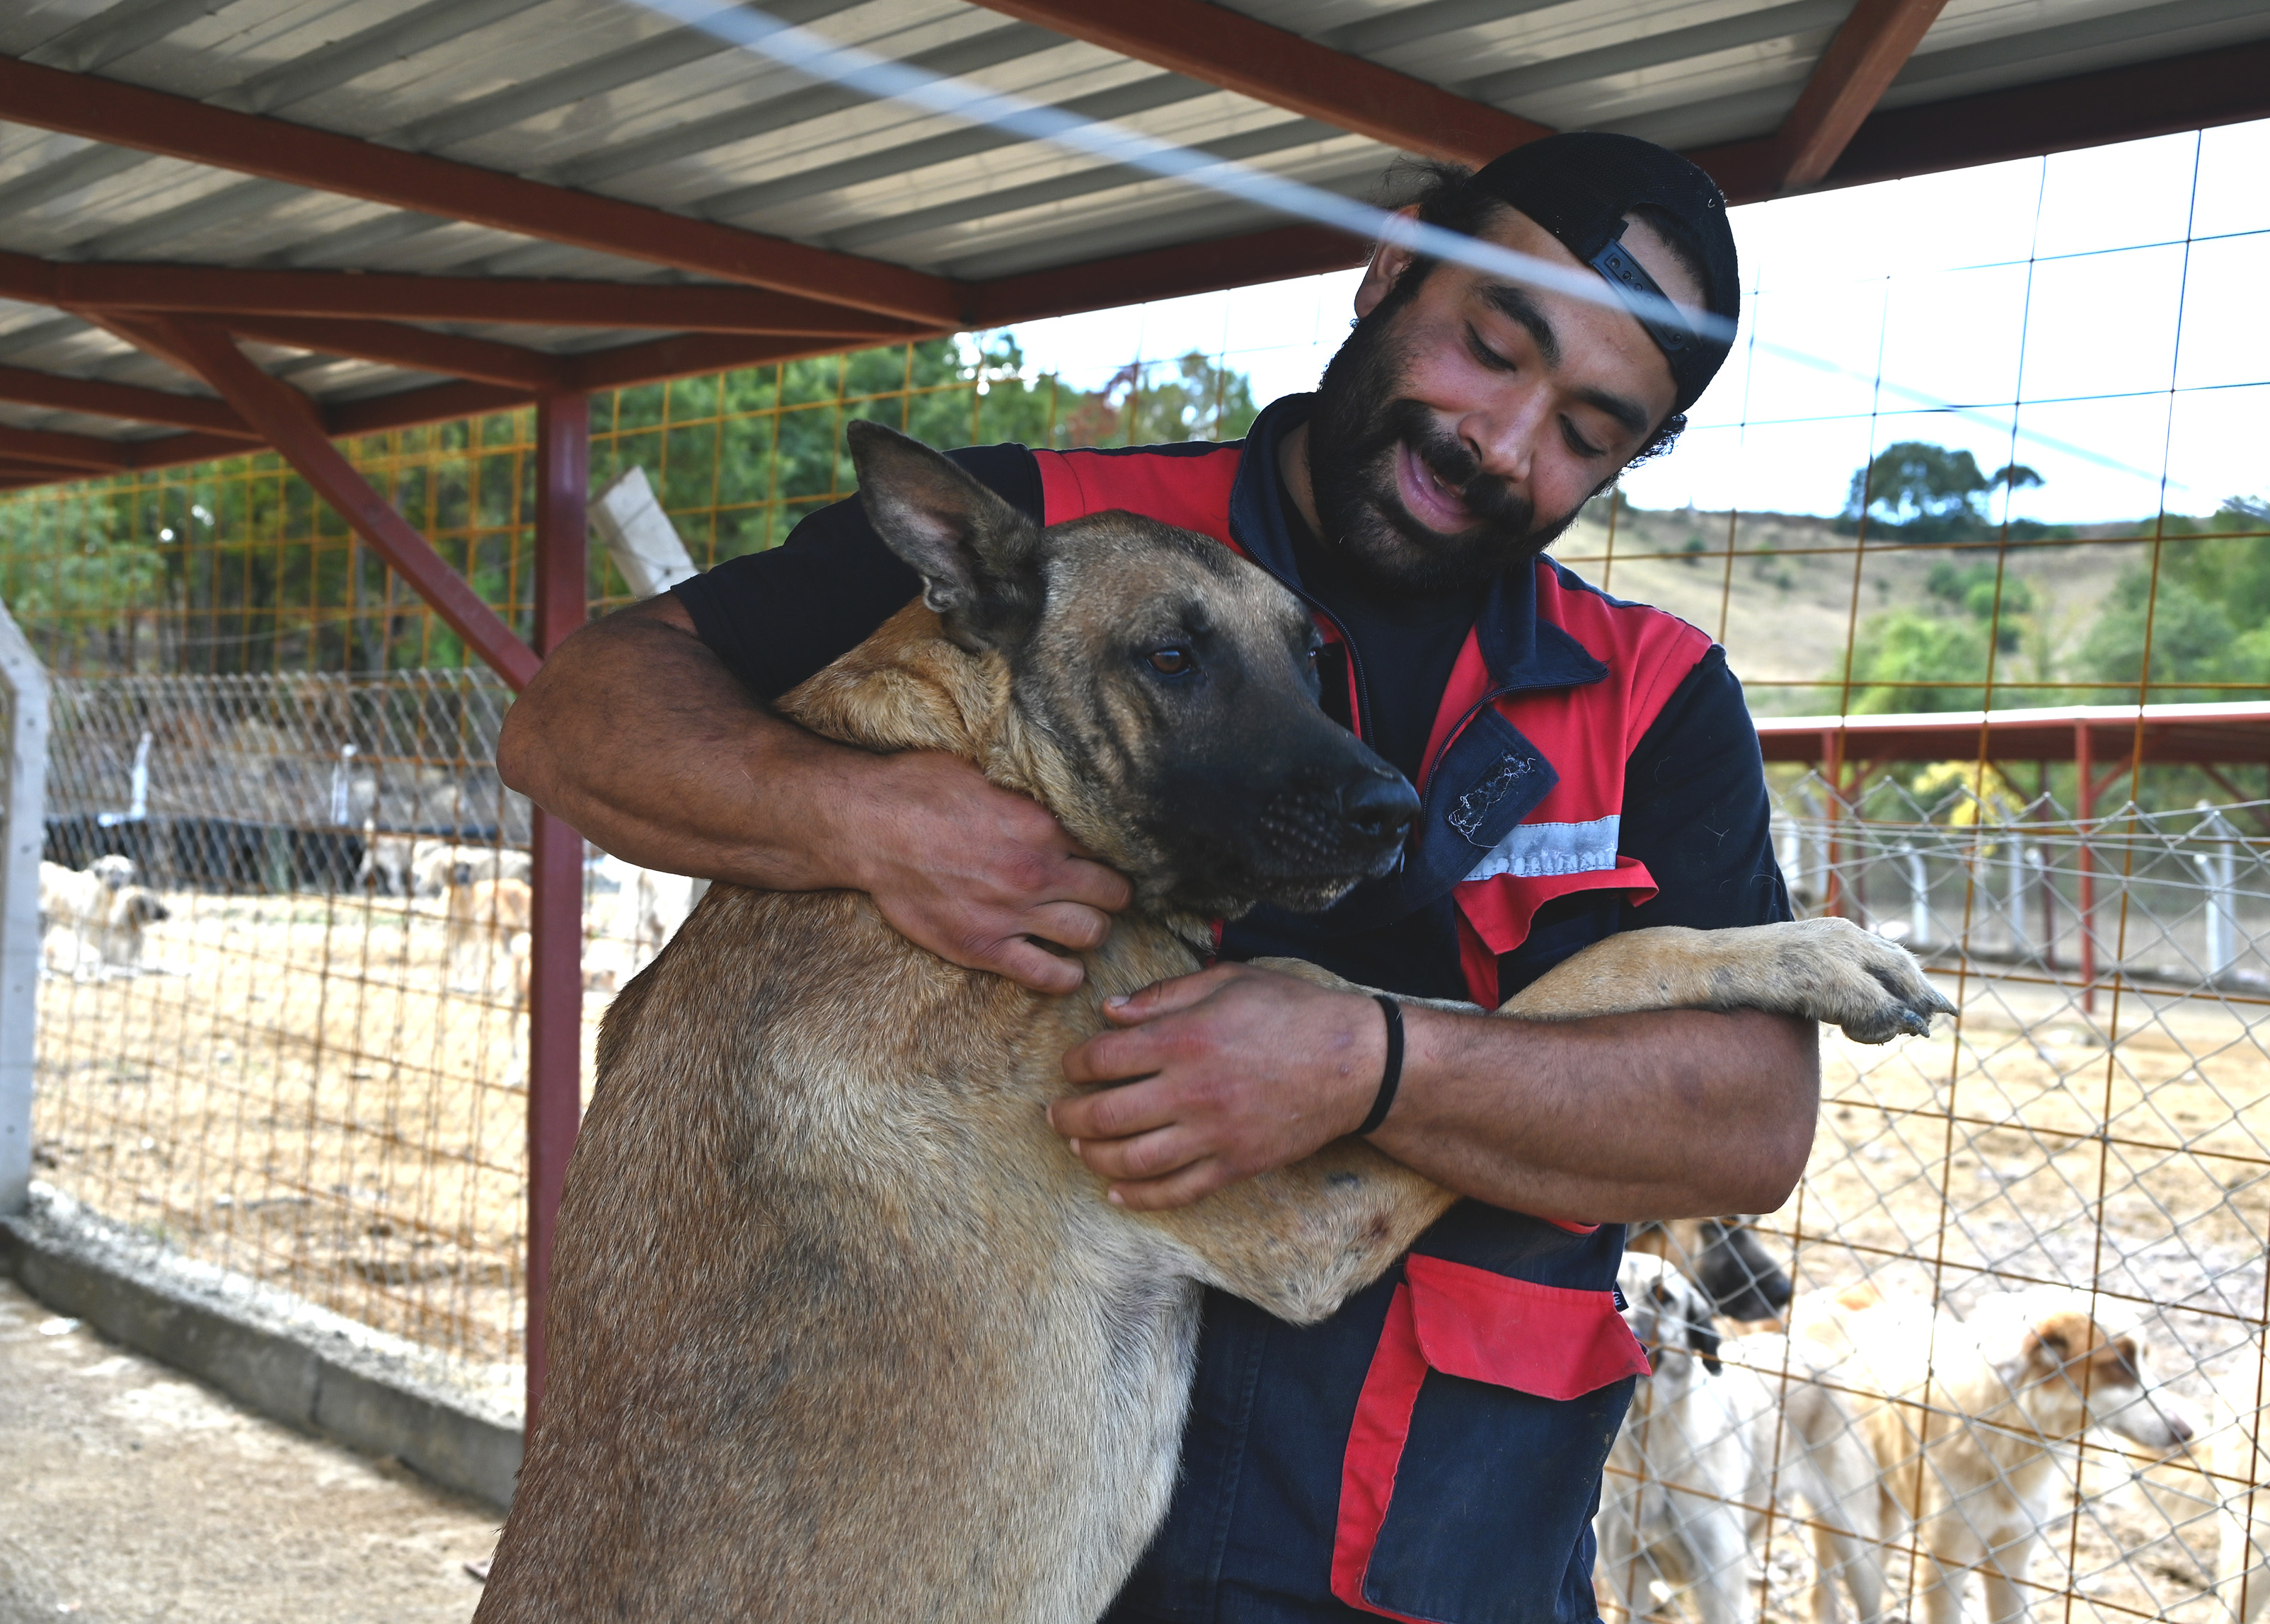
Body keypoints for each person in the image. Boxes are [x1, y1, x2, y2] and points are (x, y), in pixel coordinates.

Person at [501, 132, 1815, 1624]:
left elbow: (1750, 1119)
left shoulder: (1655, 699)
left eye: (1586, 429)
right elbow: (577, 716)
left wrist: (1372, 1065)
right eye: (1492, 347)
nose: (1503, 441)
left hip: (1439, 1561)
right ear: (1392, 266)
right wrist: (862, 816)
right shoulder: (1050, 537)